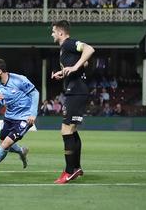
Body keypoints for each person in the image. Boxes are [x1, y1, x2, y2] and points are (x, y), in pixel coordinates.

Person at [50, 20, 95, 184]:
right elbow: (85, 62)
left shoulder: (68, 43)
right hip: (75, 90)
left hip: (76, 91)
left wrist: (75, 67)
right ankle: (76, 167)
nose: (52, 34)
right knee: (72, 130)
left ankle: (69, 171)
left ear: (61, 33)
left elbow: (89, 49)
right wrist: (62, 73)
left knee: (66, 131)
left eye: (54, 31)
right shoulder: (66, 49)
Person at [0, 58, 36, 179]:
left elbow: (35, 93)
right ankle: (21, 151)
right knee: (3, 141)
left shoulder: (19, 80)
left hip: (24, 118)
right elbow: (3, 103)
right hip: (9, 117)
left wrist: (33, 114)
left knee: (4, 145)